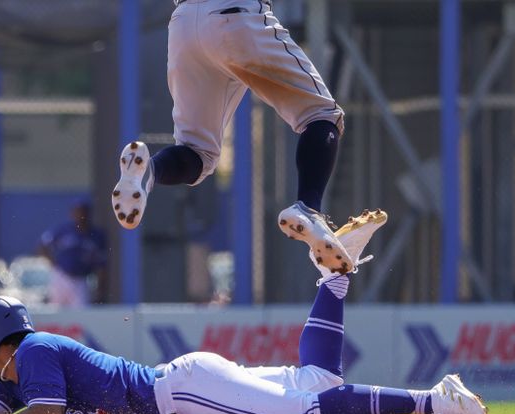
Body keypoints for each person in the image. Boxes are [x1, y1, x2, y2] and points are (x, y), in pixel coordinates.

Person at [0, 208, 491, 414]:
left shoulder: (35, 350)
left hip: (180, 393)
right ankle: (335, 275)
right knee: (316, 376)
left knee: (305, 412)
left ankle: (437, 397)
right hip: (182, 389)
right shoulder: (14, 379)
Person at [112, 0, 352, 275]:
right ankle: (308, 208)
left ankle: (150, 171)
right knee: (321, 115)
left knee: (197, 152)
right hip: (235, 16)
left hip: (184, 25)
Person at [38, 199, 107, 307]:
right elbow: (43, 245)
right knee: (55, 309)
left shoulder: (96, 235)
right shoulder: (63, 230)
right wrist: (53, 264)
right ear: (72, 213)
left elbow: (101, 264)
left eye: (84, 212)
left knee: (81, 311)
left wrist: (100, 290)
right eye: (78, 211)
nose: (81, 215)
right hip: (61, 276)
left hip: (81, 279)